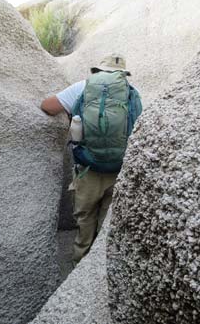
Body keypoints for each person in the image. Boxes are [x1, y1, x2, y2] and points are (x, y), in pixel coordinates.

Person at [41, 54, 142, 265]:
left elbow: (48, 106)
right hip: (119, 170)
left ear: (98, 71)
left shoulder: (82, 88)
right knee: (108, 224)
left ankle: (79, 262)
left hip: (87, 169)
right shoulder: (131, 94)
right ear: (122, 75)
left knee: (84, 218)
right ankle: (99, 268)